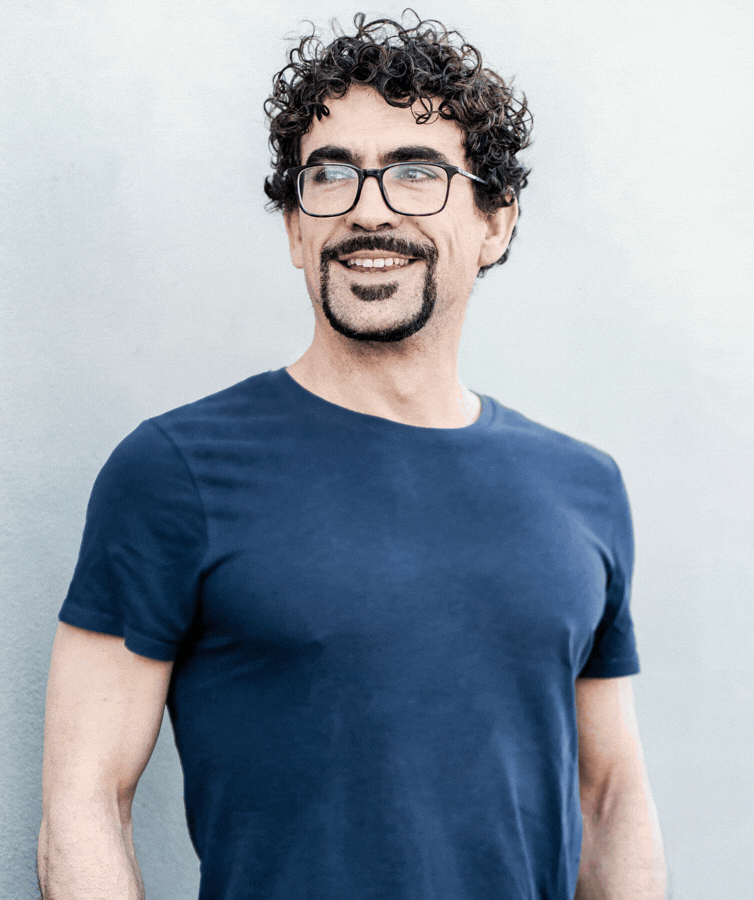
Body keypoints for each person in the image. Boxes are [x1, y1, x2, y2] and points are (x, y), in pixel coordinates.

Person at [37, 13, 667, 900]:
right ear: (297, 230)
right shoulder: (174, 472)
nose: (369, 209)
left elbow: (610, 797)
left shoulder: (583, 488)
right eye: (330, 175)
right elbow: (84, 801)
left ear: (495, 222)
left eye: (417, 172)